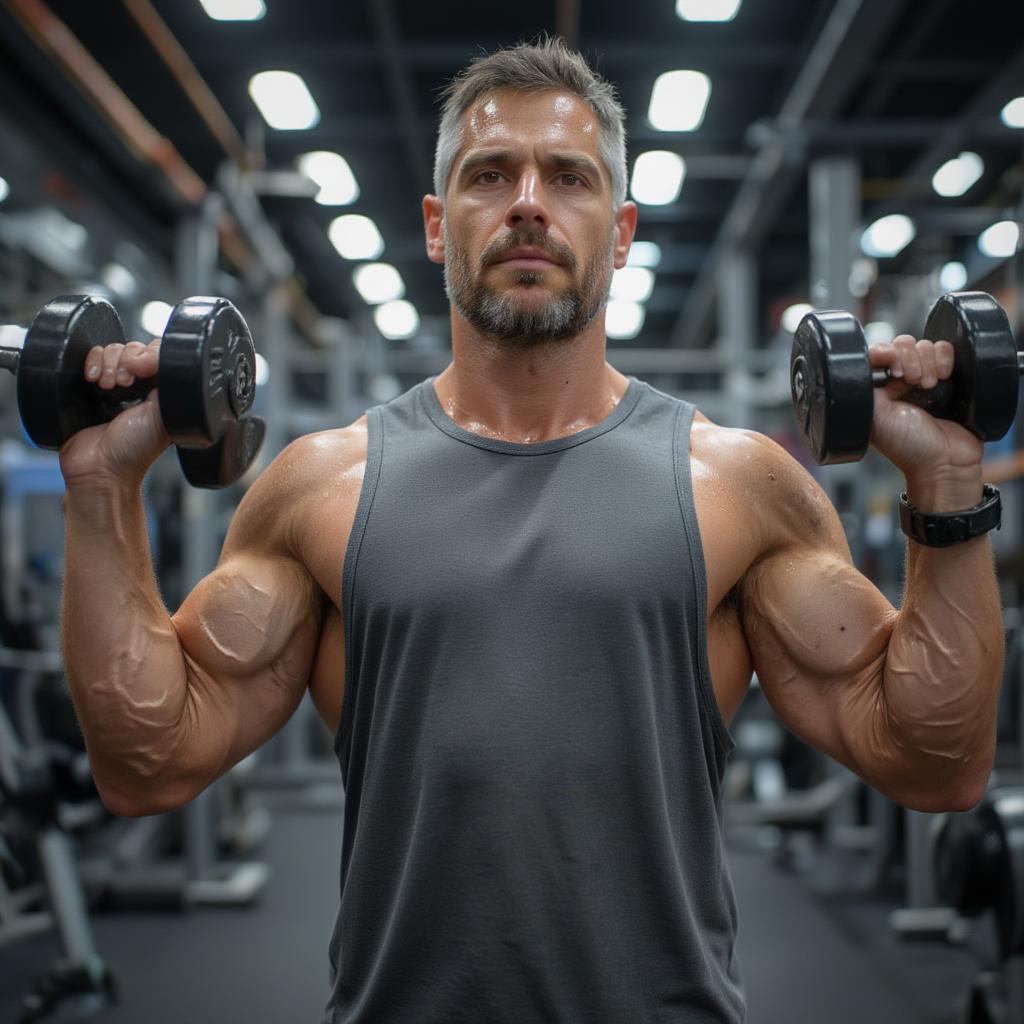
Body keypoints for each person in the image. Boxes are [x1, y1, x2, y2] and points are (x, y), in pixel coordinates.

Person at [59, 37, 1003, 1024]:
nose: (526, 201)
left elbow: (936, 764)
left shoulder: (739, 487)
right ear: (434, 224)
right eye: (487, 174)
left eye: (567, 176)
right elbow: (147, 763)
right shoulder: (320, 489)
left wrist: (946, 478)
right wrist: (98, 487)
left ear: (622, 228)